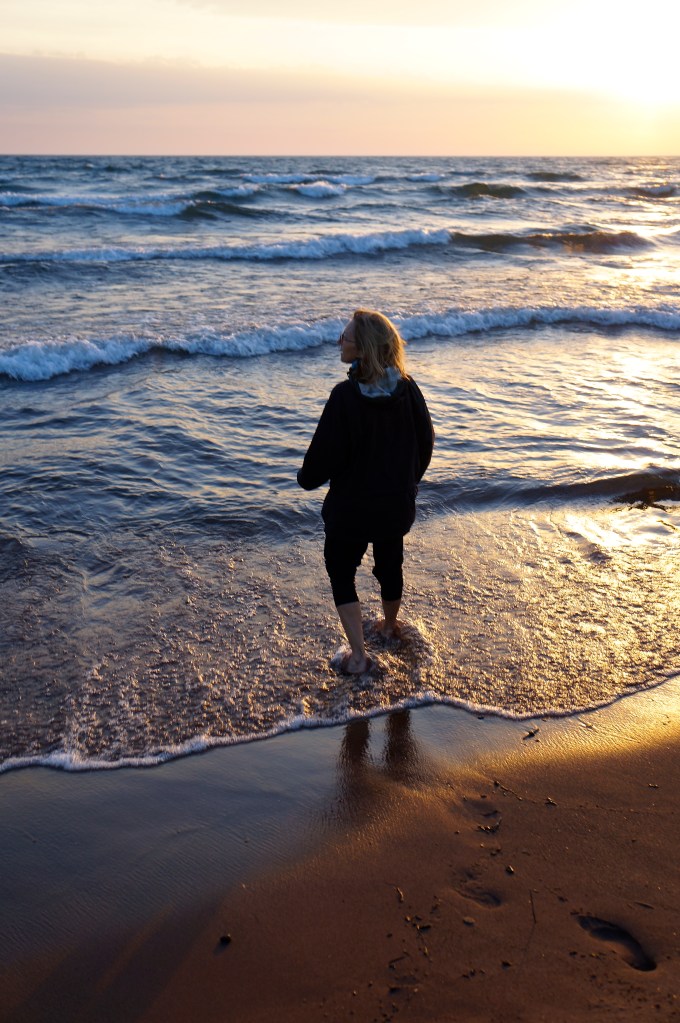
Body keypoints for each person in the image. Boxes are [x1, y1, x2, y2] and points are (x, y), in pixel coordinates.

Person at [297, 308, 434, 674]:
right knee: (390, 564)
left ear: (363, 349)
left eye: (346, 337)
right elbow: (426, 444)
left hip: (352, 510)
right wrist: (405, 482)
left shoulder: (345, 397)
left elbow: (318, 463)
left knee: (341, 570)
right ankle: (389, 627)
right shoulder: (408, 389)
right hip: (395, 506)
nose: (339, 342)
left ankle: (358, 656)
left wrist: (306, 478)